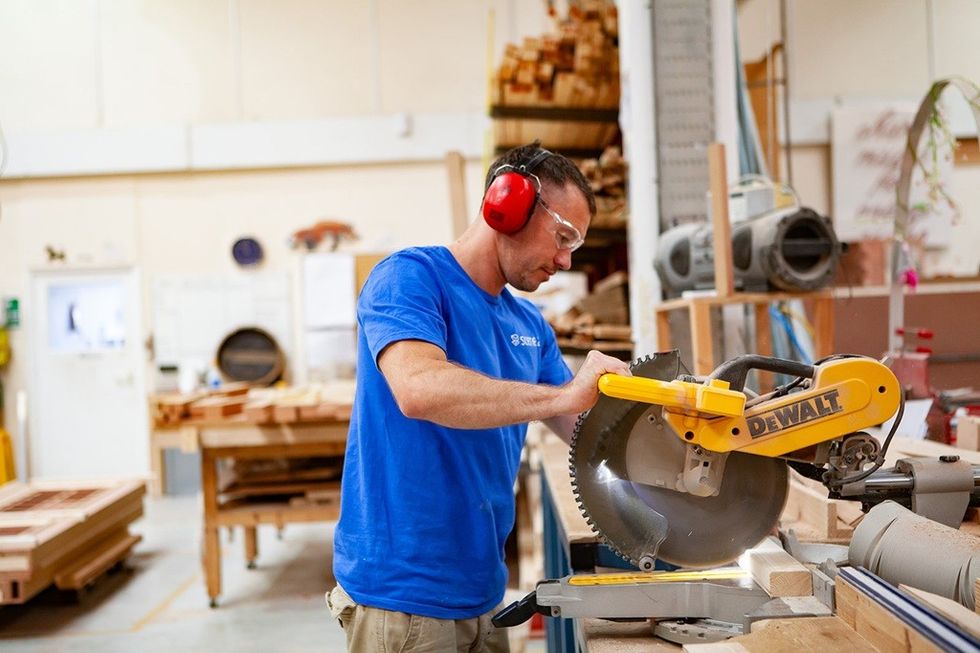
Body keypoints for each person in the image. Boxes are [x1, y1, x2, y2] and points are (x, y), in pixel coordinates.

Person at [328, 141, 631, 652]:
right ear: (506, 204)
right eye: (562, 237)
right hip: (405, 602)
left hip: (485, 597)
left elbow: (585, 430)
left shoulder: (529, 324)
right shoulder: (410, 280)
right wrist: (560, 397)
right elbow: (419, 389)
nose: (563, 259)